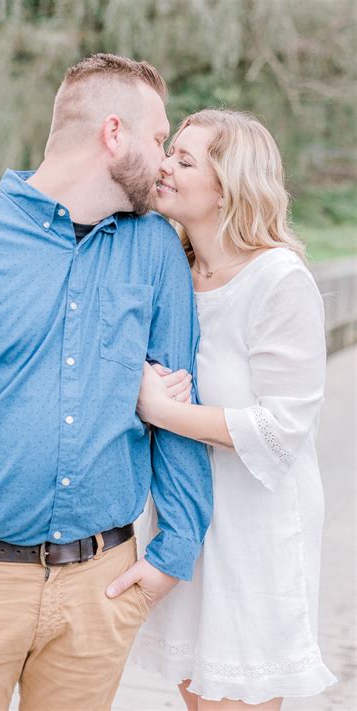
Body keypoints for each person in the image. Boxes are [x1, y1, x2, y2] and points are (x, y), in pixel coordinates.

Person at [0, 54, 212, 710]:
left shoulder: (153, 251)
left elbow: (181, 405)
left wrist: (174, 552)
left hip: (102, 589)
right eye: (158, 140)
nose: (166, 161)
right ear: (113, 135)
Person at [129, 109, 337, 710]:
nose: (165, 164)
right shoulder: (175, 270)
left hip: (254, 524)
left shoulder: (278, 281)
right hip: (188, 517)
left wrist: (159, 409)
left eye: (185, 160)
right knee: (197, 692)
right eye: (171, 151)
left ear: (229, 188)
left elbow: (280, 432)